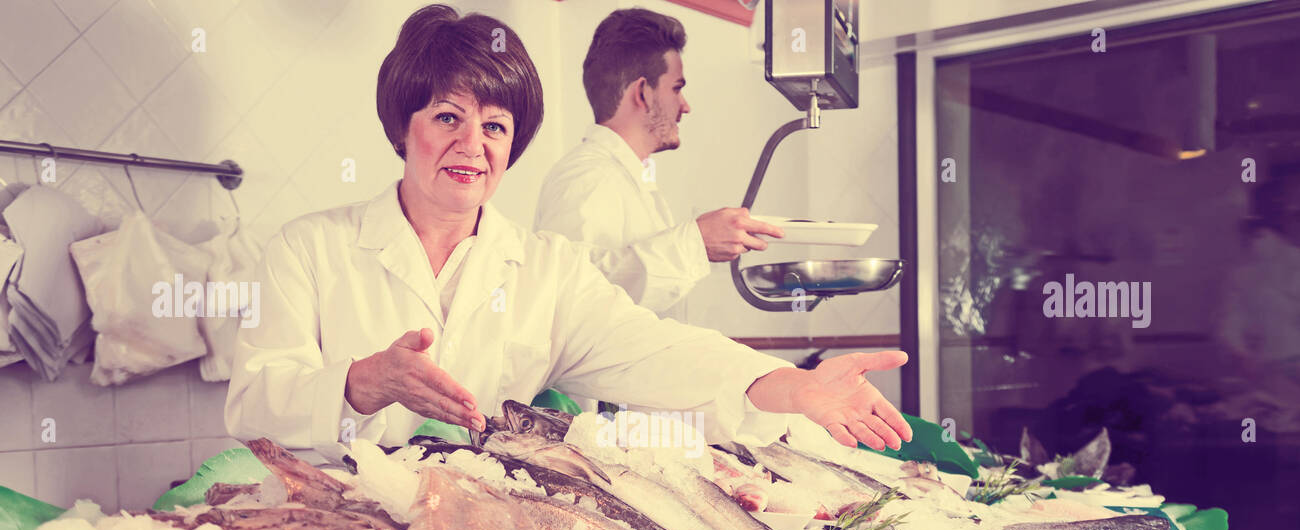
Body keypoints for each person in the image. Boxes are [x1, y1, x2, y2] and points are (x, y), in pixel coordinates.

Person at [225, 4, 910, 465]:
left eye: (495, 126)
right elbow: (251, 402)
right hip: (323, 518)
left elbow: (661, 352)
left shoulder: (545, 269)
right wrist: (360, 384)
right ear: (401, 126)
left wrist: (791, 384)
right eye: (447, 118)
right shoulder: (306, 249)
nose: (473, 145)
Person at [534, 7, 781, 318]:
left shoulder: (626, 178)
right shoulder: (587, 176)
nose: (685, 106)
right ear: (643, 92)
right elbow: (575, 299)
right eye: (677, 88)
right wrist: (695, 243)